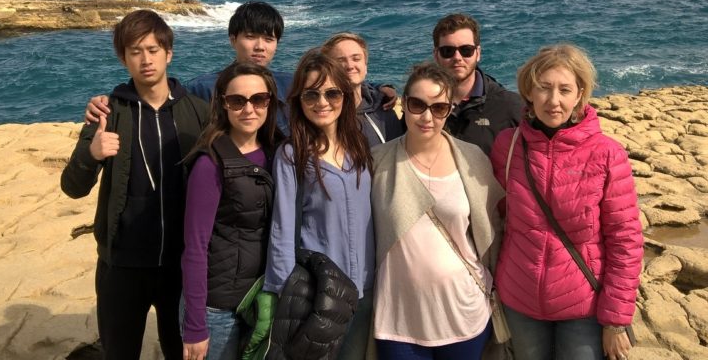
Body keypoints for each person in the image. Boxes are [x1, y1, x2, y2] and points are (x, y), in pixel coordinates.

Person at [61, 9, 210, 360]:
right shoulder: (107, 114)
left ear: (169, 53)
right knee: (120, 352)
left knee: (185, 354)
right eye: (135, 51)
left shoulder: (199, 112)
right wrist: (92, 154)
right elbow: (72, 187)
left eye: (154, 49)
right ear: (123, 58)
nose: (146, 59)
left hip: (180, 263)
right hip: (122, 266)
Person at [489, 45, 643, 360]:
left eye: (564, 89)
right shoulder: (508, 145)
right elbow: (497, 217)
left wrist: (615, 318)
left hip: (583, 306)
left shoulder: (607, 154)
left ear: (580, 94)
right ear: (528, 92)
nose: (554, 100)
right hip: (520, 299)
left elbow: (625, 240)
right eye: (544, 88)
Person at [371, 62, 505, 359]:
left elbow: (490, 229)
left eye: (439, 108)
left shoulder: (472, 159)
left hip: (464, 311)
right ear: (404, 104)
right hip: (398, 317)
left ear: (450, 109)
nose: (427, 117)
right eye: (418, 105)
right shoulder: (377, 161)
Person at [263, 49, 375, 360]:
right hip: (321, 293)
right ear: (298, 99)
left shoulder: (360, 146)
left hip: (365, 287)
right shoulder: (292, 155)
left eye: (332, 93)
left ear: (345, 95)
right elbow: (282, 228)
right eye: (311, 94)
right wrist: (280, 293)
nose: (322, 102)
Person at [180, 62, 283, 360]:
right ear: (223, 105)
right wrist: (196, 326)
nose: (249, 109)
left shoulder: (279, 150)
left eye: (258, 99)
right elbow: (195, 248)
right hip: (218, 307)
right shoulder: (210, 164)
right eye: (237, 101)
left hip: (259, 297)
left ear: (270, 102)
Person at [87, 1, 292, 131]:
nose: (259, 47)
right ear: (232, 40)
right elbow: (160, 104)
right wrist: (108, 104)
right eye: (250, 37)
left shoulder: (290, 86)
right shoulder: (203, 88)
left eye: (268, 39)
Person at [432, 13, 522, 156]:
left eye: (466, 50)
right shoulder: (423, 105)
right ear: (436, 55)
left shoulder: (509, 107)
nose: (457, 58)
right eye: (448, 51)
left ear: (478, 53)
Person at [322, 32, 404, 146]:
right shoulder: (323, 114)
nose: (350, 66)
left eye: (356, 59)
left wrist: (381, 87)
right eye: (340, 61)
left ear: (365, 66)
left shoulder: (382, 106)